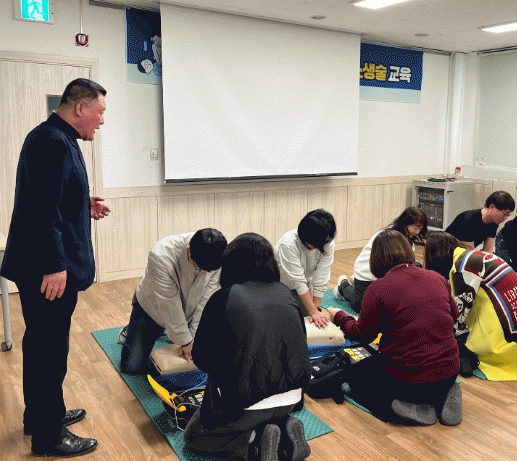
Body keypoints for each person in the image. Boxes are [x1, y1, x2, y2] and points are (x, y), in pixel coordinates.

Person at [0, 78, 110, 457]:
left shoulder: (58, 137)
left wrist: (83, 203)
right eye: (99, 112)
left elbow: (53, 196)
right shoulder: (52, 141)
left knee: (43, 345)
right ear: (80, 107)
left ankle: (42, 415)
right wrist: (54, 265)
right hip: (46, 269)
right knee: (48, 350)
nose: (101, 121)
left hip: (43, 264)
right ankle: (49, 435)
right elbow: (41, 210)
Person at [184, 233, 311, 461]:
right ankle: (283, 427)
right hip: (292, 399)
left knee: (194, 435)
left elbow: (201, 357)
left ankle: (253, 441)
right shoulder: (286, 293)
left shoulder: (223, 297)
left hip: (244, 405)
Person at [326, 229, 462, 427]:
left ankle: (395, 406)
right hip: (449, 371)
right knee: (433, 373)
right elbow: (454, 315)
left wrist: (339, 317)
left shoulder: (377, 289)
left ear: (375, 259)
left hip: (406, 381)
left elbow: (363, 334)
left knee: (355, 374)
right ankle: (444, 393)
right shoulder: (436, 278)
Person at [425, 231, 517, 381]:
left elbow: (460, 311)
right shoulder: (473, 255)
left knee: (465, 339)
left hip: (504, 320)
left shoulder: (461, 266)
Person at [119, 229, 227, 373]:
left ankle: (169, 332)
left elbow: (206, 302)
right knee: (132, 366)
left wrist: (194, 338)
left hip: (187, 310)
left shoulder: (218, 255)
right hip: (152, 309)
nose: (201, 271)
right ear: (188, 250)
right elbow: (169, 304)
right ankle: (131, 330)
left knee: (200, 352)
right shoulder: (160, 254)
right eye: (198, 266)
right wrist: (186, 342)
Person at [333, 207, 427, 313]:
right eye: (416, 228)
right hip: (368, 272)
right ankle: (343, 285)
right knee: (362, 307)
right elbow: (389, 267)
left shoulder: (409, 239)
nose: (418, 232)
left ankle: (357, 284)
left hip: (385, 276)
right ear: (405, 223)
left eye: (420, 229)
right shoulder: (387, 236)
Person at [275, 209, 336, 329]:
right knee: (287, 324)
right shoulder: (288, 244)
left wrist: (315, 310)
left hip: (306, 286)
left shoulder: (327, 242)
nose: (317, 247)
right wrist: (313, 312)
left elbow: (322, 276)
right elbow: (298, 280)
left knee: (311, 321)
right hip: (281, 287)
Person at [445, 191, 515, 253]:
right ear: (491, 207)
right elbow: (469, 253)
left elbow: (488, 250)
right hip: (444, 253)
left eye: (508, 215)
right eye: (504, 214)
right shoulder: (469, 219)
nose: (505, 218)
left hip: (459, 253)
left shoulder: (493, 223)